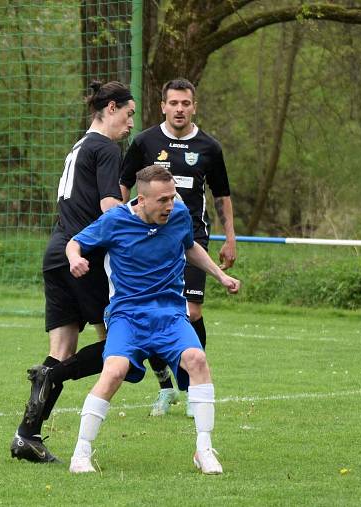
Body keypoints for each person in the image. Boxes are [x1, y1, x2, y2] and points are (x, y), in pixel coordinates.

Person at [66, 165, 240, 474]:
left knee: (197, 359)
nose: (169, 206)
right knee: (114, 370)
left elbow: (189, 247)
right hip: (127, 315)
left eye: (172, 197)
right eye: (162, 200)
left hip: (170, 314)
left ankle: (204, 449)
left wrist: (220, 275)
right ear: (141, 199)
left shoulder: (179, 216)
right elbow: (75, 242)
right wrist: (75, 258)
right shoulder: (116, 220)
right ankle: (81, 452)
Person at [9, 80, 135, 463]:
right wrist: (144, 224)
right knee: (122, 346)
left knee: (62, 351)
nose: (131, 123)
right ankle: (52, 378)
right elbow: (110, 206)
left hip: (57, 251)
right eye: (128, 115)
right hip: (84, 256)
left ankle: (26, 435)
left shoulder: (79, 146)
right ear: (110, 108)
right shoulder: (106, 147)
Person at [119, 78, 237, 417]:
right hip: (148, 241)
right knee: (153, 311)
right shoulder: (145, 142)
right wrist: (119, 226)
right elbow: (123, 185)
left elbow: (222, 196)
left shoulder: (209, 147)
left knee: (191, 312)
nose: (180, 109)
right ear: (163, 106)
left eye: (186, 103)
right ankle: (166, 388)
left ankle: (191, 384)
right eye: (174, 103)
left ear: (194, 106)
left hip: (191, 239)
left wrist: (230, 238)